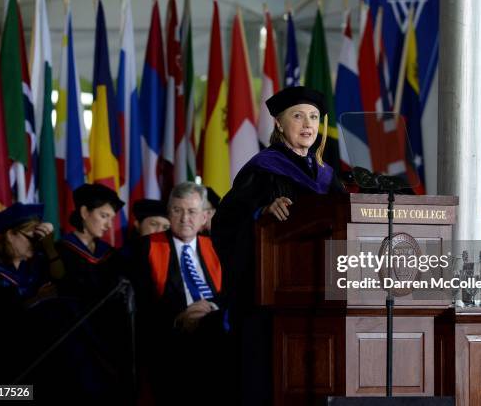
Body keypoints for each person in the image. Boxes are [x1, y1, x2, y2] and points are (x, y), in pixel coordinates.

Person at [212, 86, 344, 405]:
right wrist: (261, 214)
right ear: (279, 124)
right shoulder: (263, 169)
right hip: (272, 300)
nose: (307, 124)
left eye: (313, 117)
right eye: (297, 116)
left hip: (325, 296)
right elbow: (225, 222)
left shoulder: (328, 177)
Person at [132, 182, 227, 404]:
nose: (185, 218)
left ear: (204, 217)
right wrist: (179, 318)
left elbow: (232, 291)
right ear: (169, 213)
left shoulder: (217, 247)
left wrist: (211, 308)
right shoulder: (145, 247)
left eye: (192, 211)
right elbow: (141, 301)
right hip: (170, 337)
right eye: (178, 210)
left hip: (216, 332)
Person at [51, 183, 132, 403]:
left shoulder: (110, 255)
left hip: (106, 340)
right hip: (73, 340)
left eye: (111, 218)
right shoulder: (59, 252)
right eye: (104, 215)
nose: (108, 224)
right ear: (85, 212)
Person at [0, 203, 56, 383]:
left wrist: (50, 245)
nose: (36, 245)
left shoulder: (37, 265)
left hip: (27, 361)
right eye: (31, 238)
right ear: (10, 235)